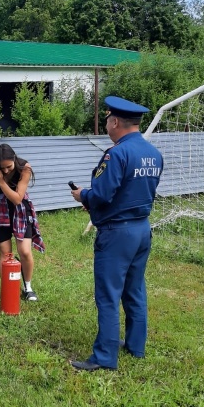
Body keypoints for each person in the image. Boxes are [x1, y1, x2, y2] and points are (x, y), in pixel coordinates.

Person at [70, 96, 163, 372]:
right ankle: (136, 346)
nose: (107, 124)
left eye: (108, 119)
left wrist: (82, 195)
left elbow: (101, 193)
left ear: (115, 121)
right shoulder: (153, 153)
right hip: (142, 229)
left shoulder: (117, 153)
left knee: (108, 295)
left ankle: (104, 357)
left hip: (117, 233)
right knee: (134, 289)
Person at [0, 143, 45, 301]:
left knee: (24, 251)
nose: (5, 171)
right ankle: (7, 289)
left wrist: (2, 183)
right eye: (1, 168)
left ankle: (28, 287)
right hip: (0, 211)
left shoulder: (24, 168)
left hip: (21, 210)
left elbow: (17, 199)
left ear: (14, 159)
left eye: (8, 167)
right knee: (5, 253)